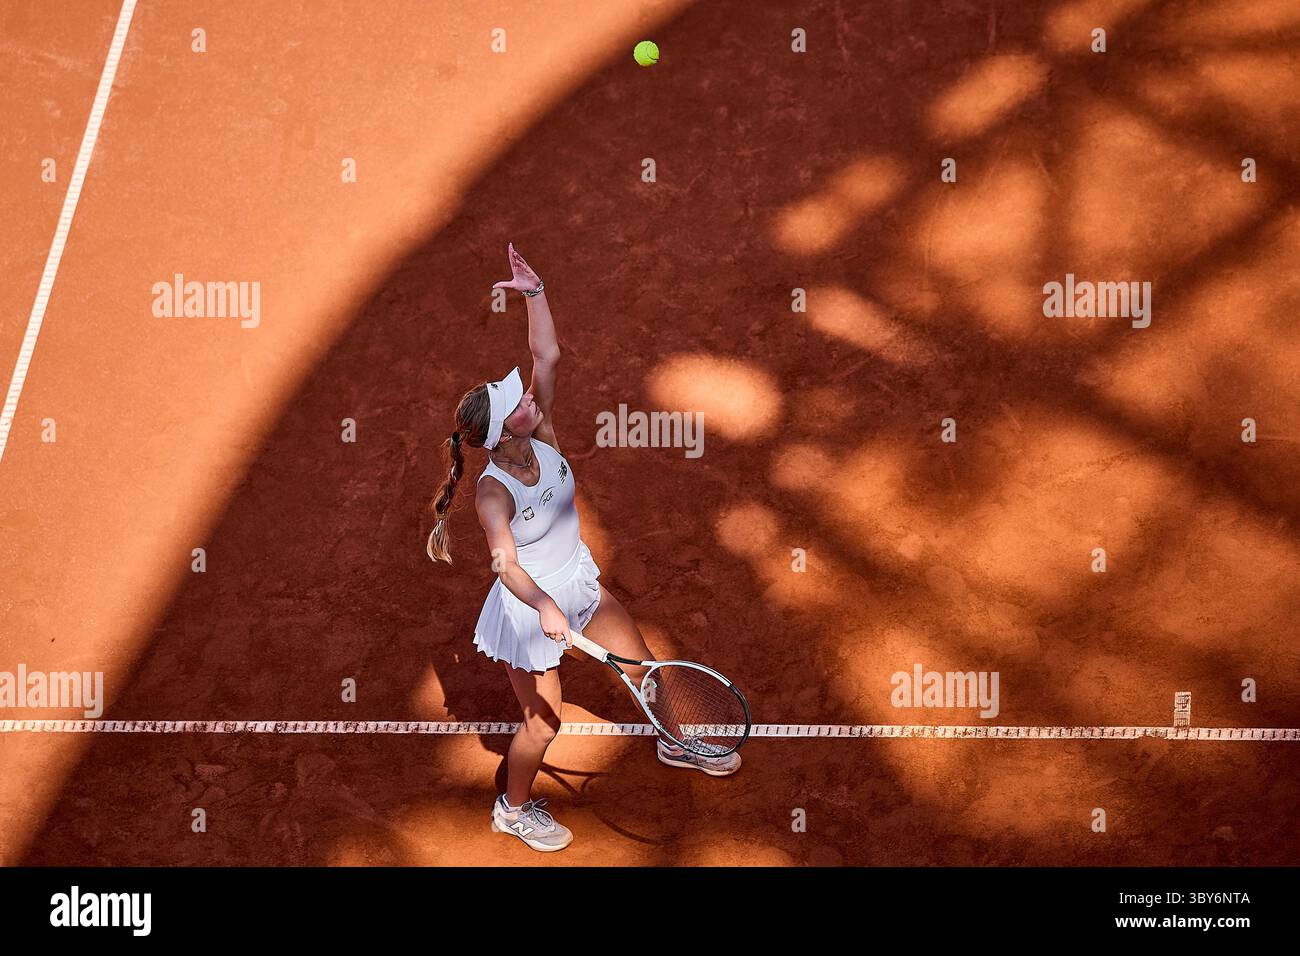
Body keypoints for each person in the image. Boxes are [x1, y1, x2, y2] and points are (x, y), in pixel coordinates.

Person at [427, 244, 739, 852]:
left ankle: (677, 740)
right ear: (500, 432)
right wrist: (544, 607)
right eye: (517, 402)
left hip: (578, 583)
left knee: (645, 665)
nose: (529, 397)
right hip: (528, 610)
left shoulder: (541, 430)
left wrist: (535, 291)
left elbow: (548, 353)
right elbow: (505, 565)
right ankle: (513, 809)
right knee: (544, 722)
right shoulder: (492, 495)